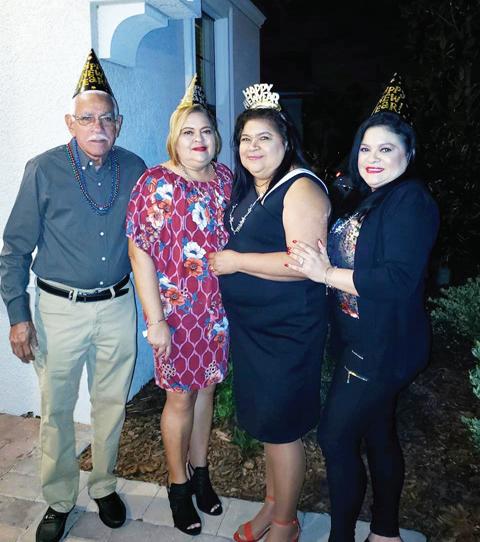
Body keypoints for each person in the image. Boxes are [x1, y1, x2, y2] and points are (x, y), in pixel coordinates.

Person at [0, 49, 147, 542]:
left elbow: (151, 238)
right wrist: (18, 316)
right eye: (87, 118)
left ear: (118, 124)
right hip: (58, 310)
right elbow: (14, 249)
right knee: (58, 410)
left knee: (111, 404)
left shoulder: (135, 168)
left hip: (118, 306)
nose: (97, 126)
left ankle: (103, 485)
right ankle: (60, 499)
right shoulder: (43, 169)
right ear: (71, 122)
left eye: (106, 118)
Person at [287, 76, 440, 542]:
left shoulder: (410, 200)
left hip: (383, 346)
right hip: (363, 339)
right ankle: (386, 532)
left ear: (408, 154)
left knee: (335, 437)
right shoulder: (369, 198)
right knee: (377, 431)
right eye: (366, 148)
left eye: (386, 149)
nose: (372, 158)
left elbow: (396, 280)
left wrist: (326, 274)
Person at [208, 83, 331, 542]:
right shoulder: (253, 188)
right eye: (245, 139)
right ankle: (272, 505)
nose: (253, 147)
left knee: (281, 430)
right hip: (255, 330)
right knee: (266, 424)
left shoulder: (300, 188)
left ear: (286, 141)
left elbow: (303, 265)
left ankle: (286, 524)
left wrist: (237, 262)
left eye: (264, 138)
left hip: (287, 332)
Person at [126, 75, 232, 536]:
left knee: (207, 390)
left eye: (205, 130)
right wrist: (155, 321)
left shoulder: (226, 180)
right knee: (180, 397)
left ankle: (201, 472)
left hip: (217, 313)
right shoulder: (156, 183)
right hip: (175, 315)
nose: (198, 139)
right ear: (175, 138)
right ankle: (177, 484)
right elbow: (140, 253)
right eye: (188, 132)